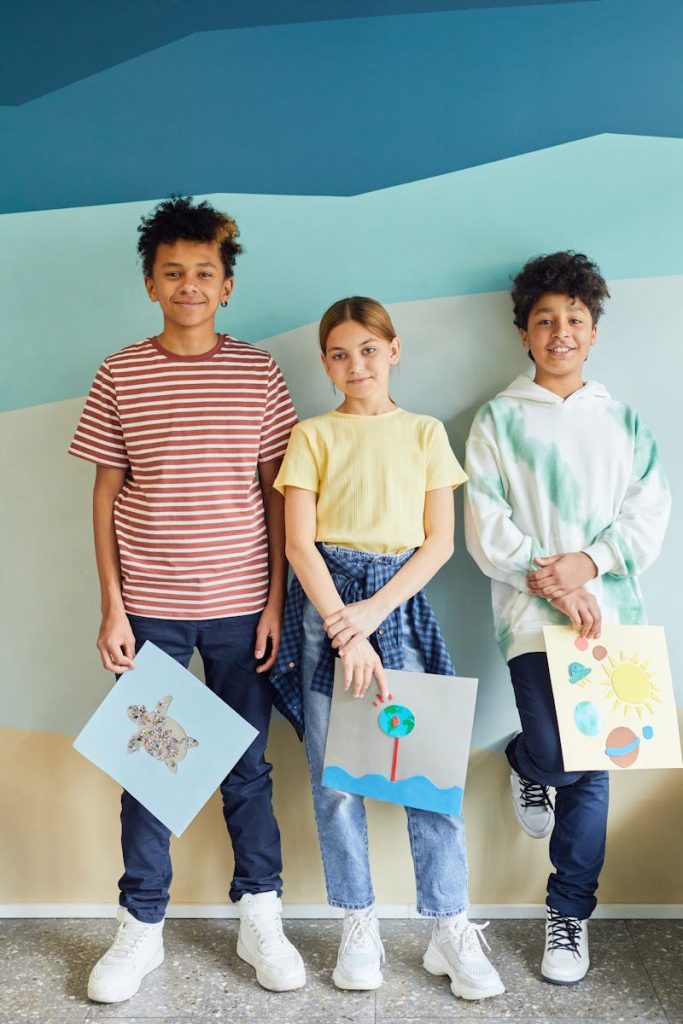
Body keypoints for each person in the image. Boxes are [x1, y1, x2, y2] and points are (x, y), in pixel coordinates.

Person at [69, 196, 305, 1001]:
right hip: (149, 609)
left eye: (204, 272)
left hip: (242, 607)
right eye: (173, 273)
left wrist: (274, 603)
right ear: (150, 284)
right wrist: (112, 607)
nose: (189, 285)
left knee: (247, 768)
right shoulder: (120, 372)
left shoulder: (257, 372)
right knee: (149, 771)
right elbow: (105, 495)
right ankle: (140, 927)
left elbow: (277, 496)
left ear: (226, 285)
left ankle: (260, 915)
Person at [269, 296, 505, 1000]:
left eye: (369, 350)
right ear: (325, 364)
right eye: (340, 354)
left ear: (393, 351)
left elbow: (439, 542)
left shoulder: (426, 433)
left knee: (427, 772)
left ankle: (448, 927)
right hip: (324, 611)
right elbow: (298, 543)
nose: (356, 365)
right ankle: (358, 923)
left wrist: (370, 616)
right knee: (335, 780)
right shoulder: (312, 435)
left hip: (397, 605)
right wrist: (343, 627)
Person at [464, 251, 670, 984]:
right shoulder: (496, 419)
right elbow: (485, 525)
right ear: (524, 333)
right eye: (545, 320)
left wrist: (589, 563)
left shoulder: (623, 420)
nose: (560, 332)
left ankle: (569, 914)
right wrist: (553, 583)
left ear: (593, 331)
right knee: (558, 752)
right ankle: (526, 760)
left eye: (574, 319)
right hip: (527, 616)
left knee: (592, 771)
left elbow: (648, 514)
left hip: (610, 623)